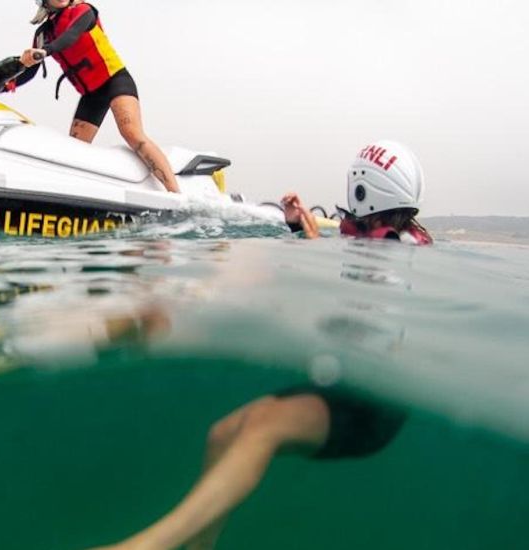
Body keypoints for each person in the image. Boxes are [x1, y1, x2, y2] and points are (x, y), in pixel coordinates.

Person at [88, 141, 431, 550]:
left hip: (374, 405)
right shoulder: (392, 240)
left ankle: (149, 545)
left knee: (263, 428)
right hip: (347, 389)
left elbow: (363, 300)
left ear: (363, 188)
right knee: (223, 434)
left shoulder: (392, 250)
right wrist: (298, 230)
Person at [11, 0, 181, 193]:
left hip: (115, 80)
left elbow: (71, 36)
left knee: (132, 133)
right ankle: (77, 197)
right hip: (91, 94)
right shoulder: (43, 34)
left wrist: (45, 51)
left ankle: (175, 193)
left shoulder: (84, 11)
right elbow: (30, 72)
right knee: (75, 151)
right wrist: (5, 83)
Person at [282, 140, 433, 245]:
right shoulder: (408, 240)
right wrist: (297, 225)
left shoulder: (381, 245)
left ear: (362, 191)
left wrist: (313, 242)